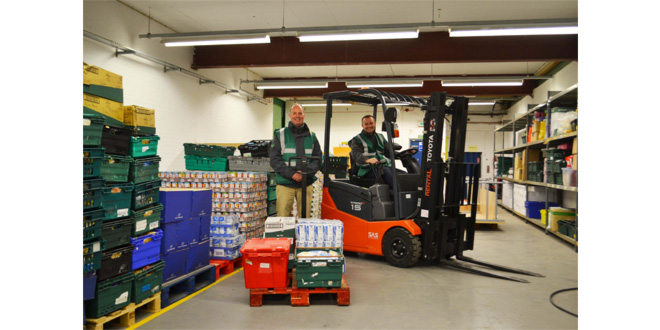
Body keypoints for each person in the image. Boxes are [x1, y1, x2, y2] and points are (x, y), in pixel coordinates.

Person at [270, 104, 322, 218]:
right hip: (285, 183)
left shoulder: (312, 136)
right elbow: (274, 160)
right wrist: (292, 174)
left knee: (305, 219)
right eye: (294, 113)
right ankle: (285, 236)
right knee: (283, 218)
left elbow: (318, 159)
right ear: (290, 115)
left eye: (300, 113)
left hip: (305, 183)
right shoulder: (280, 134)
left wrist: (304, 174)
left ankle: (302, 236)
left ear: (304, 115)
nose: (297, 116)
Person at [349, 114, 403, 189]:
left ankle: (407, 195)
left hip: (382, 167)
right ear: (362, 125)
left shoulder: (380, 137)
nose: (369, 126)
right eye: (366, 124)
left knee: (403, 174)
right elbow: (356, 154)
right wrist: (367, 160)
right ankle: (398, 196)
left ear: (375, 123)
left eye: (371, 123)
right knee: (388, 174)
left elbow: (388, 152)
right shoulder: (357, 139)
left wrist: (402, 155)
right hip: (367, 169)